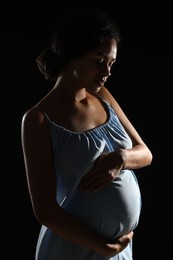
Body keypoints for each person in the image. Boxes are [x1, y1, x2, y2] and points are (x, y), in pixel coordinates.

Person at [21, 7, 153, 260]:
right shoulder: (38, 119)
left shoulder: (102, 97)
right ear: (72, 54)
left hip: (117, 250)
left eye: (111, 63)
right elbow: (45, 211)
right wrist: (103, 248)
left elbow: (145, 153)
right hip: (74, 250)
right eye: (98, 60)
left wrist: (120, 159)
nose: (107, 71)